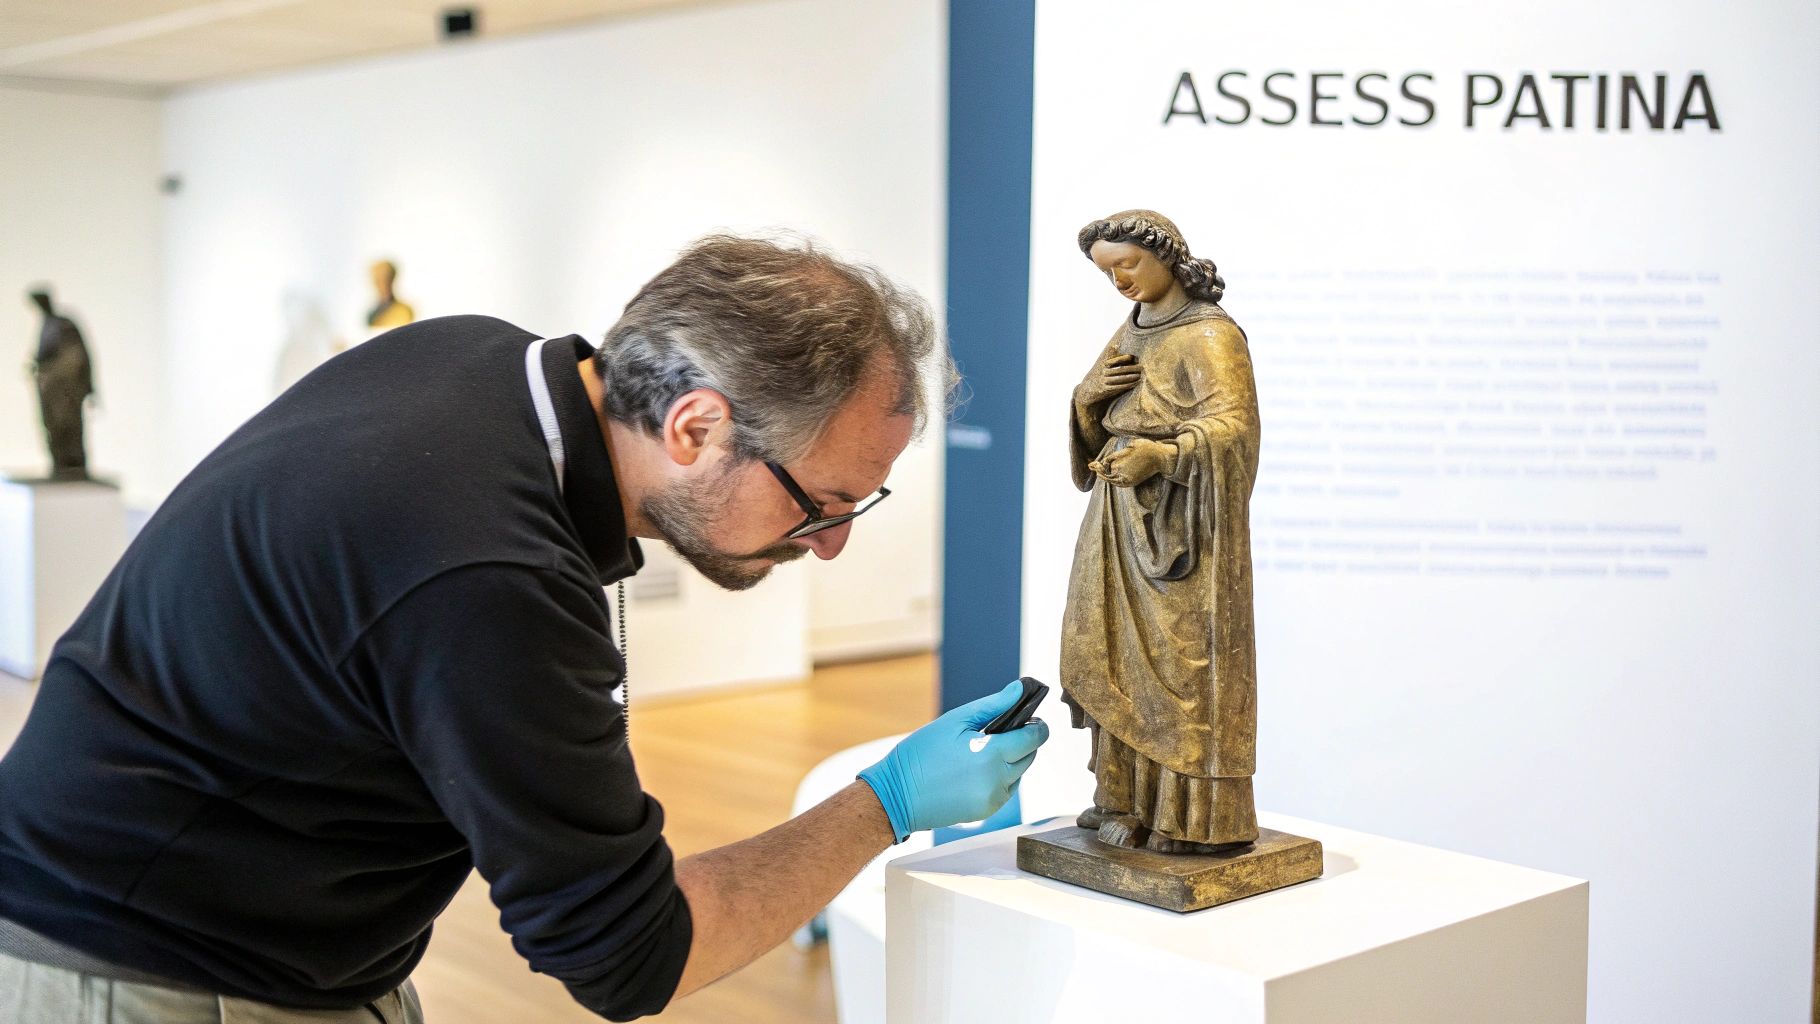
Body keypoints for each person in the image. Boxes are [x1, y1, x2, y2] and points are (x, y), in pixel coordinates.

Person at [0, 235, 1051, 1023]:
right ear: (694, 426)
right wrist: (884, 803)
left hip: (257, 947)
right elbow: (631, 955)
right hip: (139, 973)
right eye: (819, 502)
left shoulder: (478, 361)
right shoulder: (489, 567)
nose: (828, 544)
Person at [1059, 210, 1262, 855]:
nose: (1119, 280)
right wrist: (1086, 397)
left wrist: (1163, 458)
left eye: (1128, 264)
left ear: (1167, 255)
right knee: (1110, 653)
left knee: (1179, 667)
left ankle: (1184, 817)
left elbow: (1236, 432)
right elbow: (1099, 421)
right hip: (1117, 521)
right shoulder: (1133, 329)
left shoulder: (1211, 336)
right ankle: (1121, 798)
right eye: (1107, 271)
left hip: (1183, 533)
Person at [26, 287, 95, 480]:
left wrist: (89, 385)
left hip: (66, 390)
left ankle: (74, 466)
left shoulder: (63, 325)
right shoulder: (48, 325)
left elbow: (80, 357)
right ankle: (61, 465)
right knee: (53, 427)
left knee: (69, 426)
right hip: (51, 388)